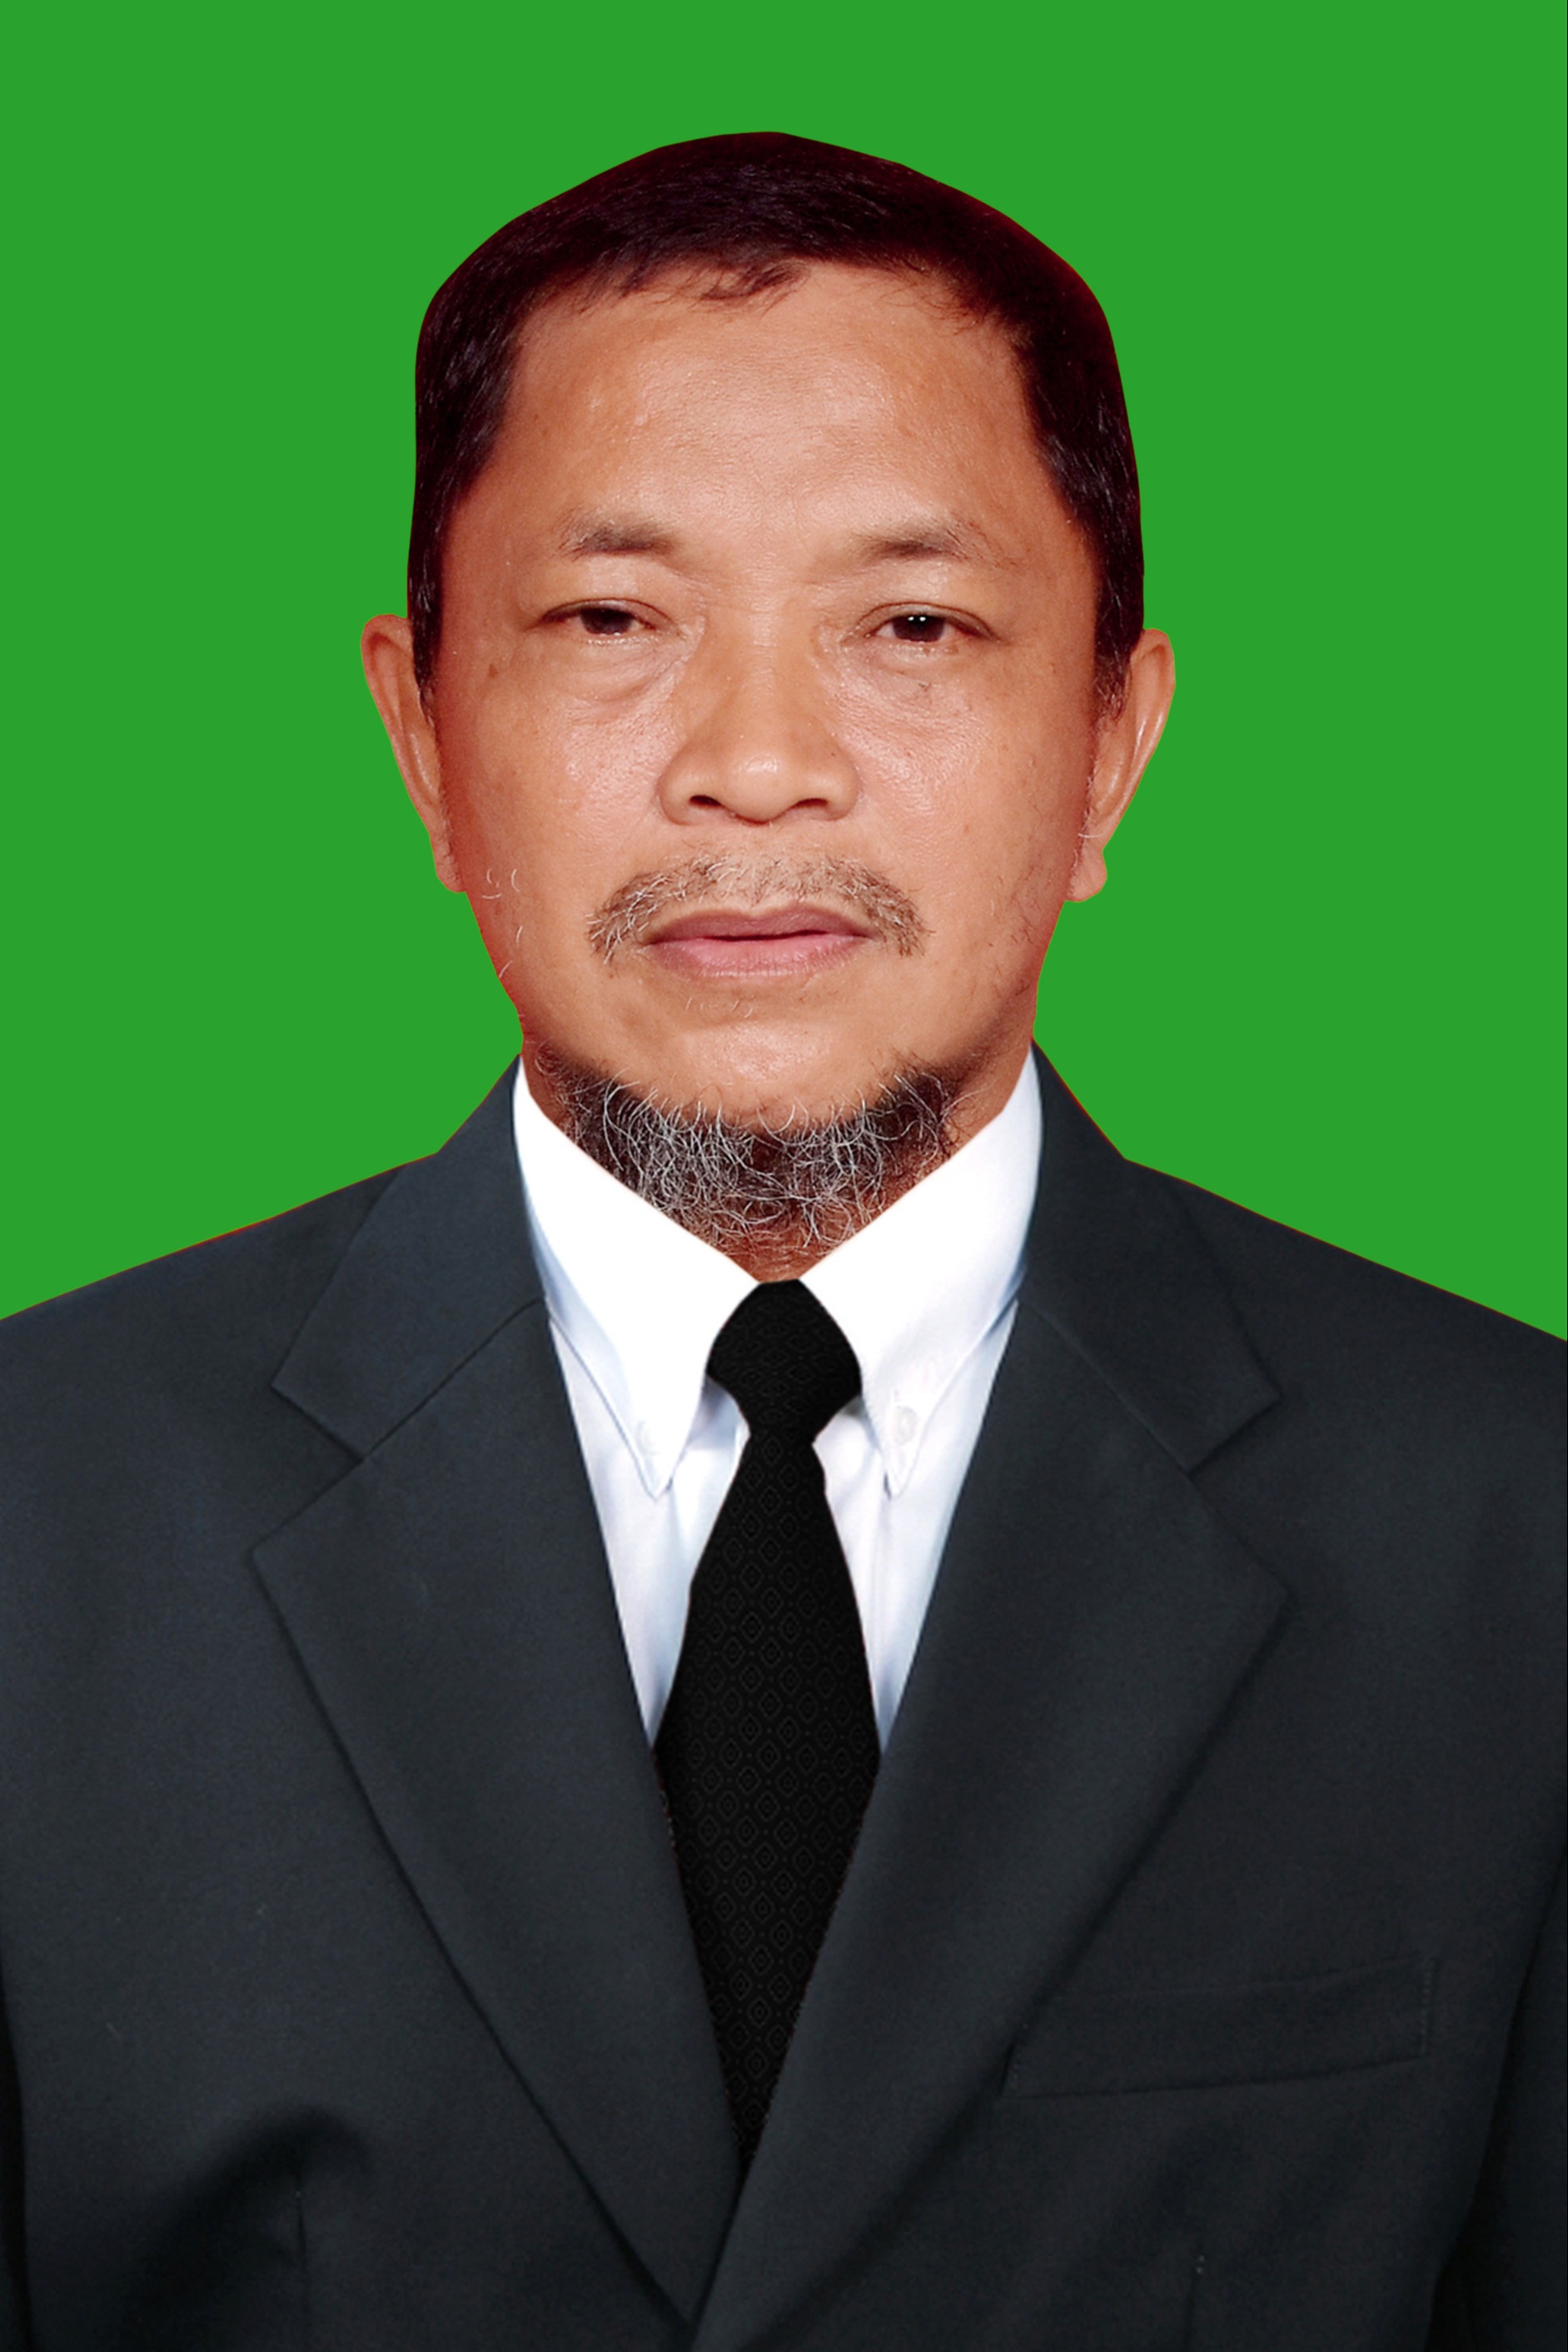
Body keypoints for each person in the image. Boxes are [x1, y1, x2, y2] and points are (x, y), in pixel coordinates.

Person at [0, 131, 1559, 2352]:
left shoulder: (1512, 1528)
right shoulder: (37, 1508)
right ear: (423, 734)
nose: (756, 766)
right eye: (612, 621)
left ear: (1109, 745)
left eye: (910, 626)